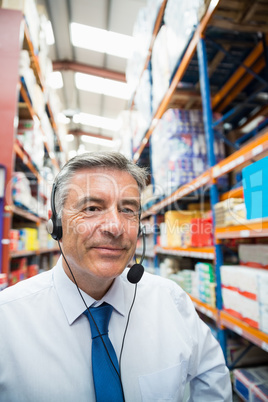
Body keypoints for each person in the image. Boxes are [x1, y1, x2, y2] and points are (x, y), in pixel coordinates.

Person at [0, 151, 232, 401]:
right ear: (55, 224)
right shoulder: (8, 322)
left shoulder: (170, 301)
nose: (115, 226)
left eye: (128, 210)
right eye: (92, 208)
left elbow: (213, 380)